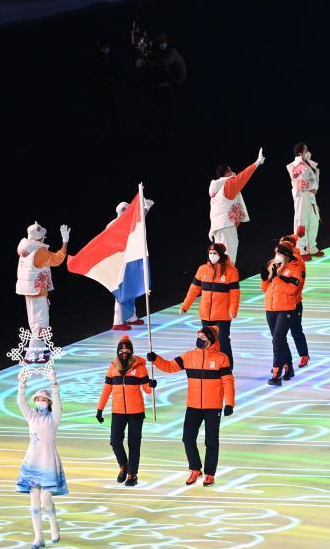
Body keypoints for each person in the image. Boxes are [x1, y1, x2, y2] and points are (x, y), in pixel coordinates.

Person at [148, 325, 235, 487]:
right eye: (198, 337)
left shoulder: (222, 359)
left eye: (203, 337)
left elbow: (228, 382)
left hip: (213, 407)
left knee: (211, 441)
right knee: (187, 438)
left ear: (211, 340)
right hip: (193, 406)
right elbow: (170, 366)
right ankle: (195, 468)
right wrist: (155, 359)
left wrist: (229, 403)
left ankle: (209, 473)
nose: (199, 340)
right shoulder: (189, 356)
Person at [95, 336, 155, 486]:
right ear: (117, 352)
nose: (124, 353)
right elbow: (106, 390)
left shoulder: (140, 368)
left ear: (131, 352)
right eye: (121, 351)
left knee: (134, 444)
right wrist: (100, 409)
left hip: (136, 412)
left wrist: (152, 385)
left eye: (127, 350)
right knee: (115, 441)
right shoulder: (112, 368)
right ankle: (123, 466)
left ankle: (132, 475)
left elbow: (147, 390)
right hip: (118, 411)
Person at [16, 370, 66, 549]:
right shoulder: (31, 416)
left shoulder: (53, 418)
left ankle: (54, 525)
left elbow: (58, 404)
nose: (40, 401)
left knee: (46, 499)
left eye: (43, 399)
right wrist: (22, 384)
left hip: (48, 462)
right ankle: (38, 536)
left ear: (49, 402)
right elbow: (21, 402)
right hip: (32, 461)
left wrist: (54, 383)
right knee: (34, 502)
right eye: (37, 399)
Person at [180, 243, 240, 368]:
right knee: (207, 341)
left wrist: (233, 310)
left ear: (221, 255)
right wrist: (185, 306)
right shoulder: (202, 269)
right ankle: (211, 366)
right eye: (210, 253)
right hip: (205, 314)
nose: (212, 255)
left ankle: (227, 367)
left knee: (222, 340)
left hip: (223, 315)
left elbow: (235, 293)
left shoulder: (231, 271)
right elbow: (193, 290)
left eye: (215, 253)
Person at [17, 222, 70, 363]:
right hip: (38, 291)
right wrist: (65, 242)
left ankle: (41, 352)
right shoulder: (38, 252)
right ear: (40, 238)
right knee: (40, 324)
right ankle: (30, 356)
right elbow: (58, 259)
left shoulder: (25, 248)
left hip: (30, 290)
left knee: (35, 322)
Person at [207, 148, 264, 263]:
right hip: (226, 227)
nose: (234, 173)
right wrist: (257, 162)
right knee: (228, 255)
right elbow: (243, 176)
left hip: (219, 227)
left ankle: (222, 274)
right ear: (227, 173)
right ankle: (228, 275)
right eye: (231, 170)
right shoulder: (228, 185)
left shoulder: (217, 190)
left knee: (220, 258)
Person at [260, 243, 301, 386]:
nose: (276, 256)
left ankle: (276, 372)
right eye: (275, 253)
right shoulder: (272, 265)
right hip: (270, 308)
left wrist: (276, 277)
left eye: (279, 253)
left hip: (286, 309)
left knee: (277, 338)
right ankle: (288, 366)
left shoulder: (295, 269)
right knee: (279, 339)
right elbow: (264, 289)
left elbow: (291, 290)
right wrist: (265, 278)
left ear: (286, 255)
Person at [109, 199, 153, 330]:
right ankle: (118, 322)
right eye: (126, 210)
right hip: (119, 262)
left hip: (129, 260)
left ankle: (131, 317)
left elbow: (138, 225)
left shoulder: (128, 223)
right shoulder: (114, 224)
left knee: (131, 288)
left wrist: (145, 209)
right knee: (121, 291)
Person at [135, 33, 185, 139]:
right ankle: (154, 132)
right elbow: (139, 64)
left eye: (164, 42)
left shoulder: (171, 52)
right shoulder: (151, 52)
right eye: (160, 42)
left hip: (166, 85)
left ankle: (167, 131)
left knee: (167, 111)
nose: (162, 44)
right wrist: (143, 55)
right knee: (153, 111)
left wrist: (180, 79)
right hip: (155, 86)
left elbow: (181, 64)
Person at [277, 234, 311, 369]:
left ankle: (304, 355)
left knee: (295, 330)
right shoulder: (278, 260)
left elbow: (299, 284)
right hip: (280, 304)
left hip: (294, 302)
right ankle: (282, 362)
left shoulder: (298, 262)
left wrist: (294, 297)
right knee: (279, 335)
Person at [287, 142, 322, 259]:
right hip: (302, 196)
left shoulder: (309, 163)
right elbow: (295, 177)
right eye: (306, 150)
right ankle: (301, 250)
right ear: (300, 153)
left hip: (311, 196)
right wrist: (308, 189)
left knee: (314, 221)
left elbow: (314, 179)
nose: (308, 152)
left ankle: (311, 247)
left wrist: (313, 189)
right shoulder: (294, 165)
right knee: (301, 223)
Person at [91, 38, 119, 138]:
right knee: (102, 110)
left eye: (108, 46)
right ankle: (103, 131)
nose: (107, 48)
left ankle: (114, 130)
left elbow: (115, 70)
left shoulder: (111, 57)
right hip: (101, 88)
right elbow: (96, 75)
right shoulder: (97, 59)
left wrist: (115, 81)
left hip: (110, 87)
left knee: (112, 110)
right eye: (105, 47)